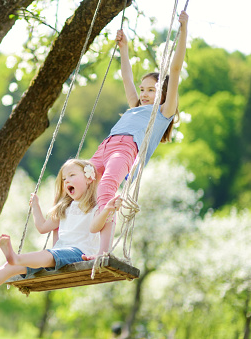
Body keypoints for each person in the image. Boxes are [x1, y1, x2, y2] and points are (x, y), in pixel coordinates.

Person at [83, 11, 189, 260]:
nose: (144, 94)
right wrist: (125, 49)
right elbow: (126, 77)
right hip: (105, 147)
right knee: (80, 182)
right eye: (143, 90)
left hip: (126, 150)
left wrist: (183, 29)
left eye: (152, 90)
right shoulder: (135, 106)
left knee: (107, 189)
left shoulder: (163, 112)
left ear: (162, 93)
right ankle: (77, 244)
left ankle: (103, 251)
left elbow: (174, 69)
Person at [0, 159, 121, 302]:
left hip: (80, 253)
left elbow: (97, 226)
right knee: (10, 267)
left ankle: (17, 257)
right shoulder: (65, 207)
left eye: (72, 175)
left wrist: (108, 210)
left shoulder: (98, 206)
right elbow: (43, 227)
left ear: (89, 179)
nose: (66, 180)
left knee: (43, 255)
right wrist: (36, 206)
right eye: (63, 179)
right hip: (58, 253)